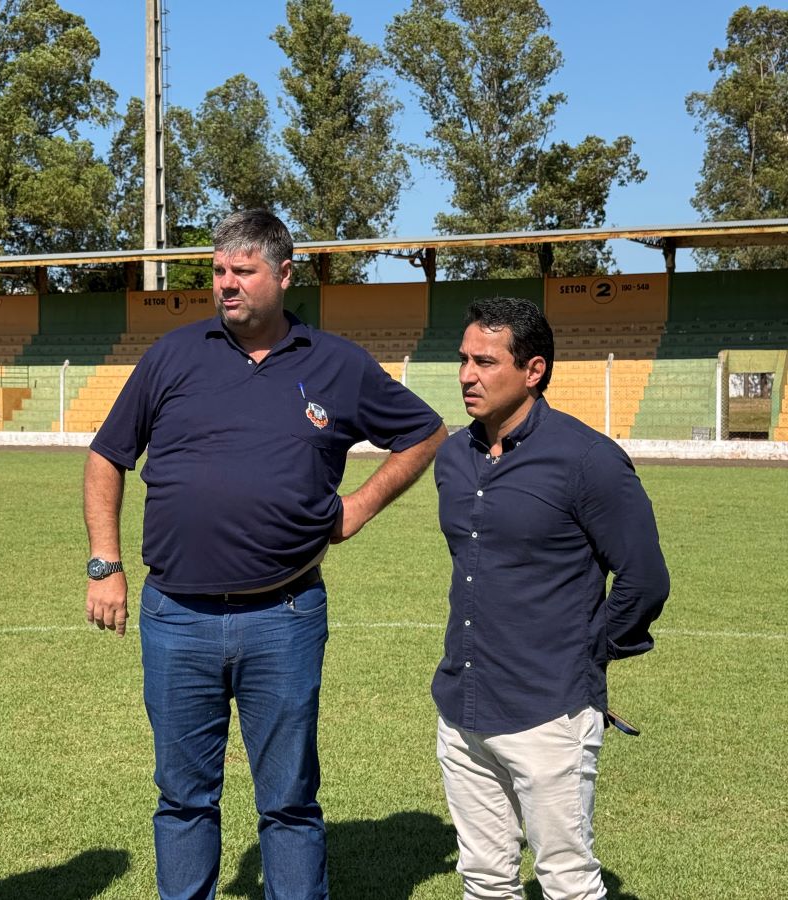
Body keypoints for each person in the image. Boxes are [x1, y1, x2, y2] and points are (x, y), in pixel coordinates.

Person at [84, 209, 446, 899]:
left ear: (283, 275)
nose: (226, 284)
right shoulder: (172, 355)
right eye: (218, 271)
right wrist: (106, 563)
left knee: (287, 801)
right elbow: (107, 455)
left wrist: (359, 508)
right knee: (183, 796)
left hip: (284, 614)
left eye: (242, 272)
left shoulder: (336, 364)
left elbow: (425, 433)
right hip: (175, 616)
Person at [431, 297, 670, 899]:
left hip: (549, 710)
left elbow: (644, 579)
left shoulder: (588, 460)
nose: (466, 375)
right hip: (462, 706)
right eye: (463, 359)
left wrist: (586, 652)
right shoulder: (454, 458)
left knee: (566, 880)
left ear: (533, 370)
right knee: (484, 878)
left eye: (485, 361)